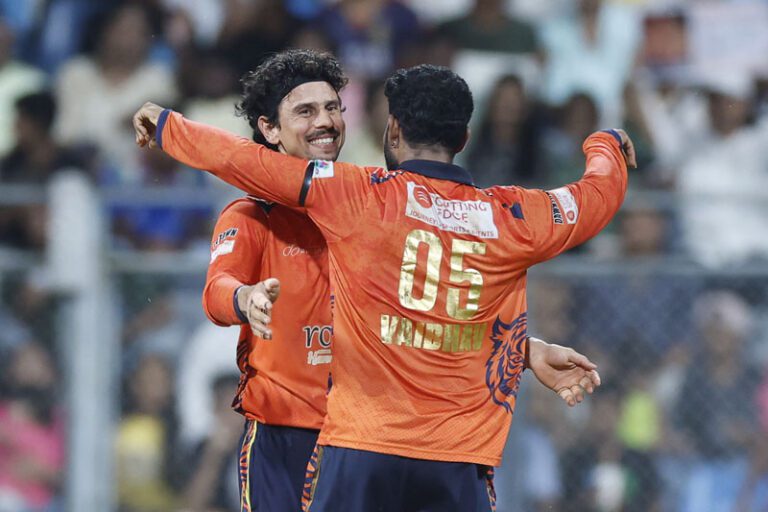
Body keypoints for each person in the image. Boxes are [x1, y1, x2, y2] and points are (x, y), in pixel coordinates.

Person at [135, 60, 632, 510]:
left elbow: (236, 158)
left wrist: (167, 127)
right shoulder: (507, 217)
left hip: (357, 445)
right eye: (306, 111)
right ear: (464, 136)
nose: (325, 121)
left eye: (332, 107)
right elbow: (595, 197)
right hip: (310, 438)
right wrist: (605, 142)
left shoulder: (357, 198)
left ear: (391, 129)